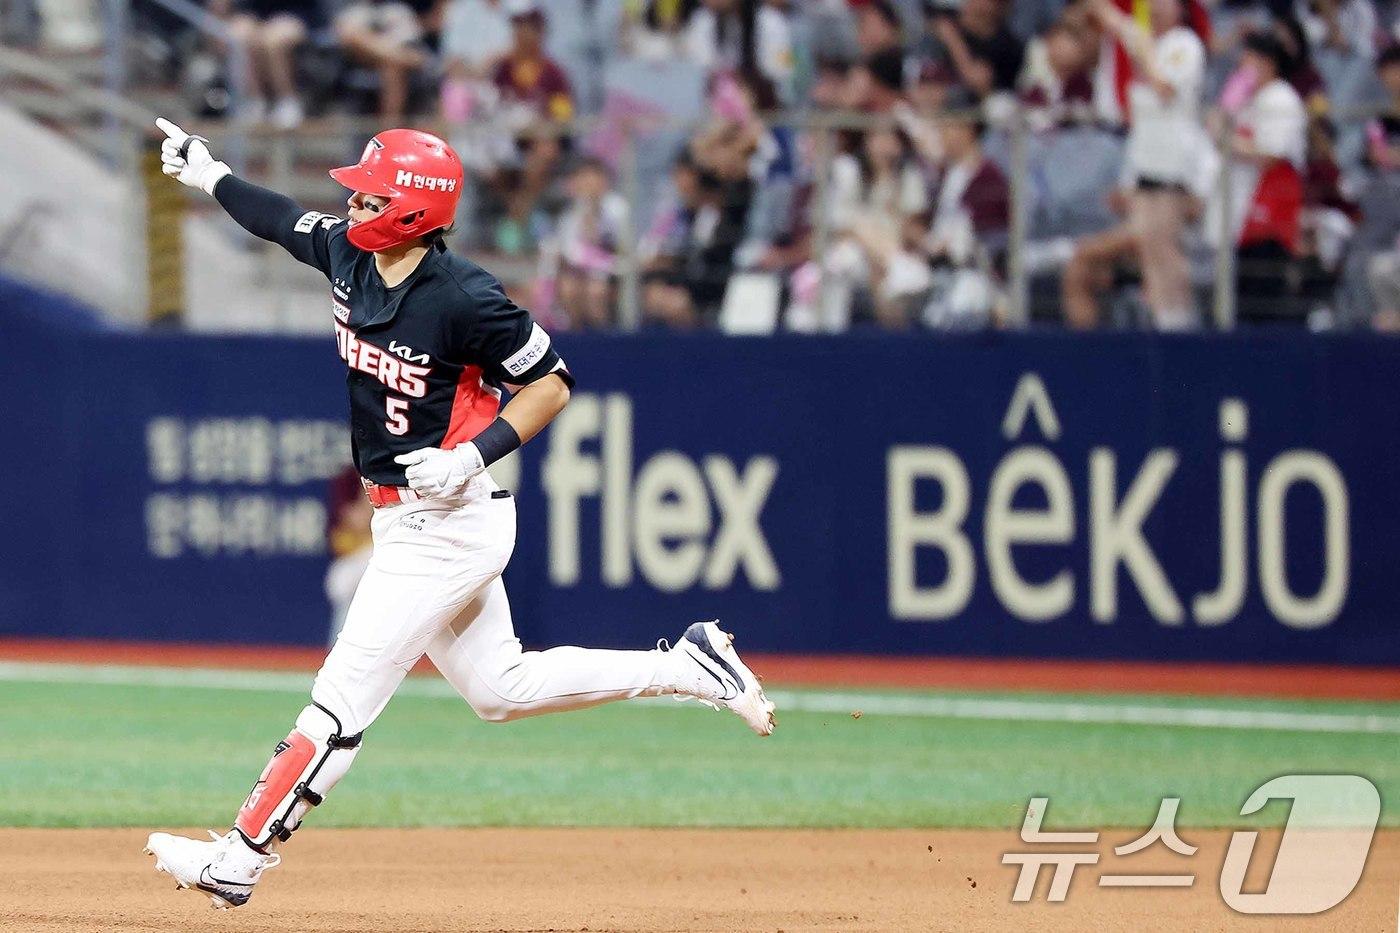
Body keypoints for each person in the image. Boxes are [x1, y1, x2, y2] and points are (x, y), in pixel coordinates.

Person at [142, 117, 776, 910]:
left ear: (413, 208)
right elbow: (279, 219)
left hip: (447, 520)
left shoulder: (465, 296)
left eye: (372, 189)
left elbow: (552, 381)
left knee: (339, 701)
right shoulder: (352, 252)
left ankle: (241, 856)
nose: (354, 198)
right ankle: (688, 666)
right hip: (408, 519)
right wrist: (210, 173)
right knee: (499, 688)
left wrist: (475, 453)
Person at [1062, 0, 1206, 329]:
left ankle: (1178, 327)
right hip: (1146, 169)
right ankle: (1161, 323)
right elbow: (1144, 122)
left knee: (1165, 250)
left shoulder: (1184, 45)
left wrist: (1132, 38)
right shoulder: (1149, 46)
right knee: (1148, 254)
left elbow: (1164, 87)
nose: (1156, 7)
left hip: (1173, 171)